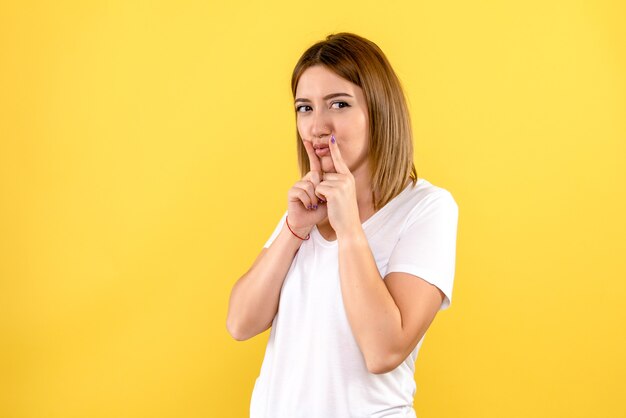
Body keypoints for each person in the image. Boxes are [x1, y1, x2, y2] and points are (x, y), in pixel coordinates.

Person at [226, 32, 459, 418]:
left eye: (338, 103)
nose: (318, 126)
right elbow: (240, 322)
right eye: (305, 108)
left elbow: (384, 350)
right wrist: (294, 230)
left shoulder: (426, 208)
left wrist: (350, 229)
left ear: (380, 110)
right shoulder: (309, 207)